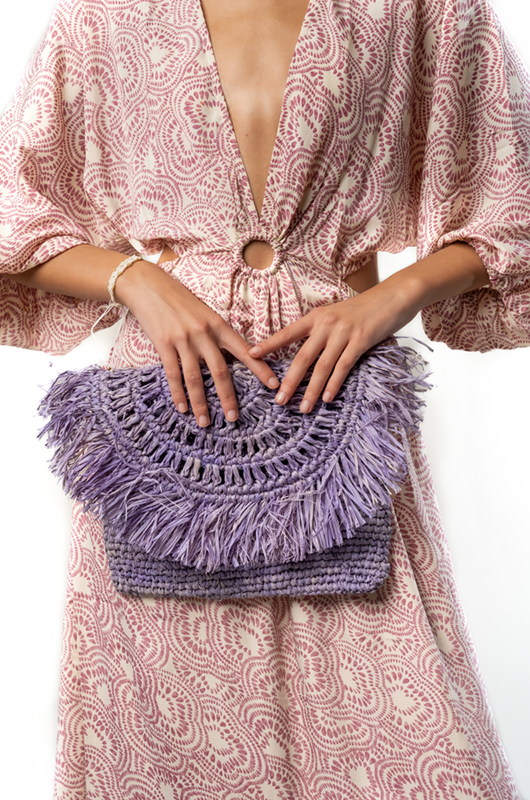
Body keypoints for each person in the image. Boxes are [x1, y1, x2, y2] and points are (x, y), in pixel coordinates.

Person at [0, 0, 526, 796]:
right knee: (166, 750)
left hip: (337, 405)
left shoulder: (424, 9)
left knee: (414, 748)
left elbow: (511, 199)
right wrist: (132, 277)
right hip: (170, 423)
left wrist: (399, 293)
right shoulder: (103, 18)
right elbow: (16, 213)